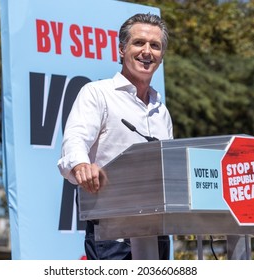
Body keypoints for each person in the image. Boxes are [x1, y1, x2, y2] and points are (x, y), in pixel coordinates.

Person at [57, 13, 173, 260]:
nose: (147, 51)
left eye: (155, 46)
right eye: (139, 43)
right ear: (121, 49)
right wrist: (81, 165)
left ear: (161, 56)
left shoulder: (161, 110)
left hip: (157, 233)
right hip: (113, 235)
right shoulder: (98, 93)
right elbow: (75, 139)